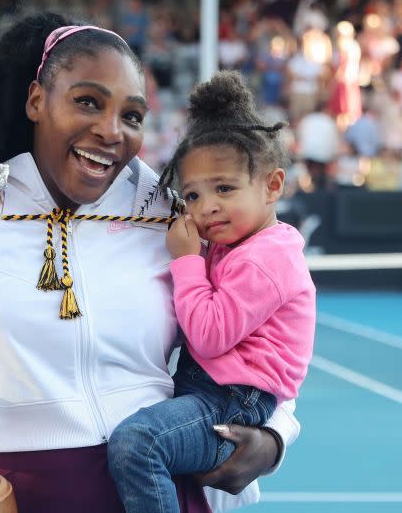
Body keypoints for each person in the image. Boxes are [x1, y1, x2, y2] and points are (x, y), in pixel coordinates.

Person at [0, 13, 300, 513]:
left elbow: (264, 334)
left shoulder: (174, 218)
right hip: (14, 496)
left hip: (160, 490)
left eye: (132, 116)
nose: (111, 131)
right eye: (87, 101)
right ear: (36, 101)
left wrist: (274, 436)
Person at [106, 71, 314, 513]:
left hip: (232, 400)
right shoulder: (234, 246)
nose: (207, 207)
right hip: (214, 390)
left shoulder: (266, 257)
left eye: (224, 188)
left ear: (272, 186)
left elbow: (209, 335)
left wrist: (186, 260)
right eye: (193, 196)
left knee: (138, 443)